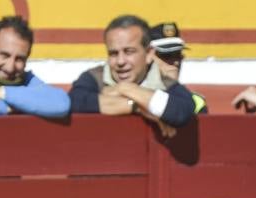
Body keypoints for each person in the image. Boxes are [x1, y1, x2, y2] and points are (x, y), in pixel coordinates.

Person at [69, 15, 198, 133]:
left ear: (149, 54)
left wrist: (125, 89)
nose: (120, 61)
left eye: (129, 52)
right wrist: (137, 106)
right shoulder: (94, 77)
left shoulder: (165, 82)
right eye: (113, 53)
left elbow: (181, 111)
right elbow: (74, 101)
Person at [149, 21, 208, 114]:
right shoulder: (132, 96)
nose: (175, 62)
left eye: (177, 55)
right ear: (148, 57)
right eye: (166, 55)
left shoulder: (196, 103)